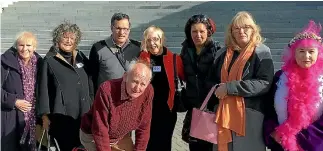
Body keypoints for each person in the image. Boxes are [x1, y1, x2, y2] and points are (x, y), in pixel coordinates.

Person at [206, 11, 274, 151]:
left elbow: (264, 83)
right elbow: (211, 80)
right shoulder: (221, 54)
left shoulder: (262, 52)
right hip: (222, 113)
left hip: (250, 116)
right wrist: (217, 90)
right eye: (236, 28)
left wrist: (230, 88)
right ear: (231, 32)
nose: (241, 31)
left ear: (253, 30)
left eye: (246, 27)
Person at [264, 20, 323, 151]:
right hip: (281, 144)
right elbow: (268, 108)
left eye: (311, 51)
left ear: (318, 54)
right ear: (294, 53)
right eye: (301, 51)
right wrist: (273, 131)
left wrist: (299, 137)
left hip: (314, 144)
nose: (306, 56)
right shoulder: (280, 76)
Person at [36, 21, 93, 151]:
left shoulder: (81, 57)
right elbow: (42, 90)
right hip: (61, 119)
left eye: (72, 38)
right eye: (65, 37)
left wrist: (92, 103)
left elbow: (90, 82)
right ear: (57, 38)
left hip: (83, 115)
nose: (68, 41)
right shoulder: (49, 60)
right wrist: (44, 116)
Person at [80, 59, 154, 151]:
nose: (137, 88)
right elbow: (100, 129)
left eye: (143, 84)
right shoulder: (107, 90)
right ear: (125, 76)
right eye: (134, 81)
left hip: (119, 135)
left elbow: (144, 127)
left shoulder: (148, 91)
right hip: (93, 134)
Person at [138, 25, 185, 151]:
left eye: (155, 39)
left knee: (164, 142)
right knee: (148, 142)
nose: (152, 43)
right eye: (148, 40)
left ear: (161, 40)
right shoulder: (142, 58)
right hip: (147, 110)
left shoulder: (174, 58)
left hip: (167, 110)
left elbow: (185, 78)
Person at [180, 14, 221, 151]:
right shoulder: (186, 50)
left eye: (202, 31)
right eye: (194, 31)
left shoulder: (217, 51)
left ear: (208, 32)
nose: (198, 35)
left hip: (212, 110)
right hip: (195, 110)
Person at [1, 32, 42, 151]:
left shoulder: (41, 64)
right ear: (16, 46)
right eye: (21, 45)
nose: (25, 49)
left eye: (28, 45)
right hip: (10, 117)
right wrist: (14, 101)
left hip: (33, 118)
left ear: (34, 47)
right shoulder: (4, 63)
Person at [89, 12, 141, 92]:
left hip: (131, 98)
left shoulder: (137, 48)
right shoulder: (98, 48)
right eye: (118, 28)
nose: (121, 33)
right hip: (107, 100)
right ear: (111, 28)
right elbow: (91, 78)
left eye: (125, 29)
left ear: (129, 30)